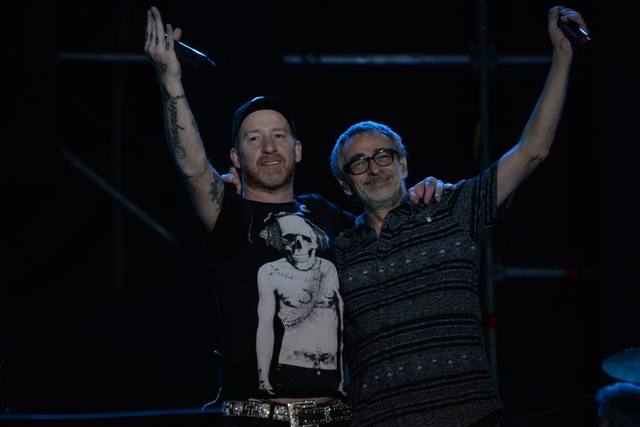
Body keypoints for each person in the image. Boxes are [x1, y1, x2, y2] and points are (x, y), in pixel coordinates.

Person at [143, 7, 452, 426]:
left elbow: (385, 220)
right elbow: (194, 168)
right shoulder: (230, 213)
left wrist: (421, 188)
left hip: (336, 417)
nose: (269, 147)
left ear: (298, 149)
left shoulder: (326, 215)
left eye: (279, 136)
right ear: (236, 157)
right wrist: (171, 82)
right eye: (254, 138)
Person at [329, 5, 588, 427]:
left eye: (383, 155)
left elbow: (532, 151)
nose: (373, 167)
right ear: (345, 184)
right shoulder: (337, 251)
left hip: (468, 416)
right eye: (358, 163)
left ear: (403, 164)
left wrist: (561, 56)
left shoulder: (452, 209)